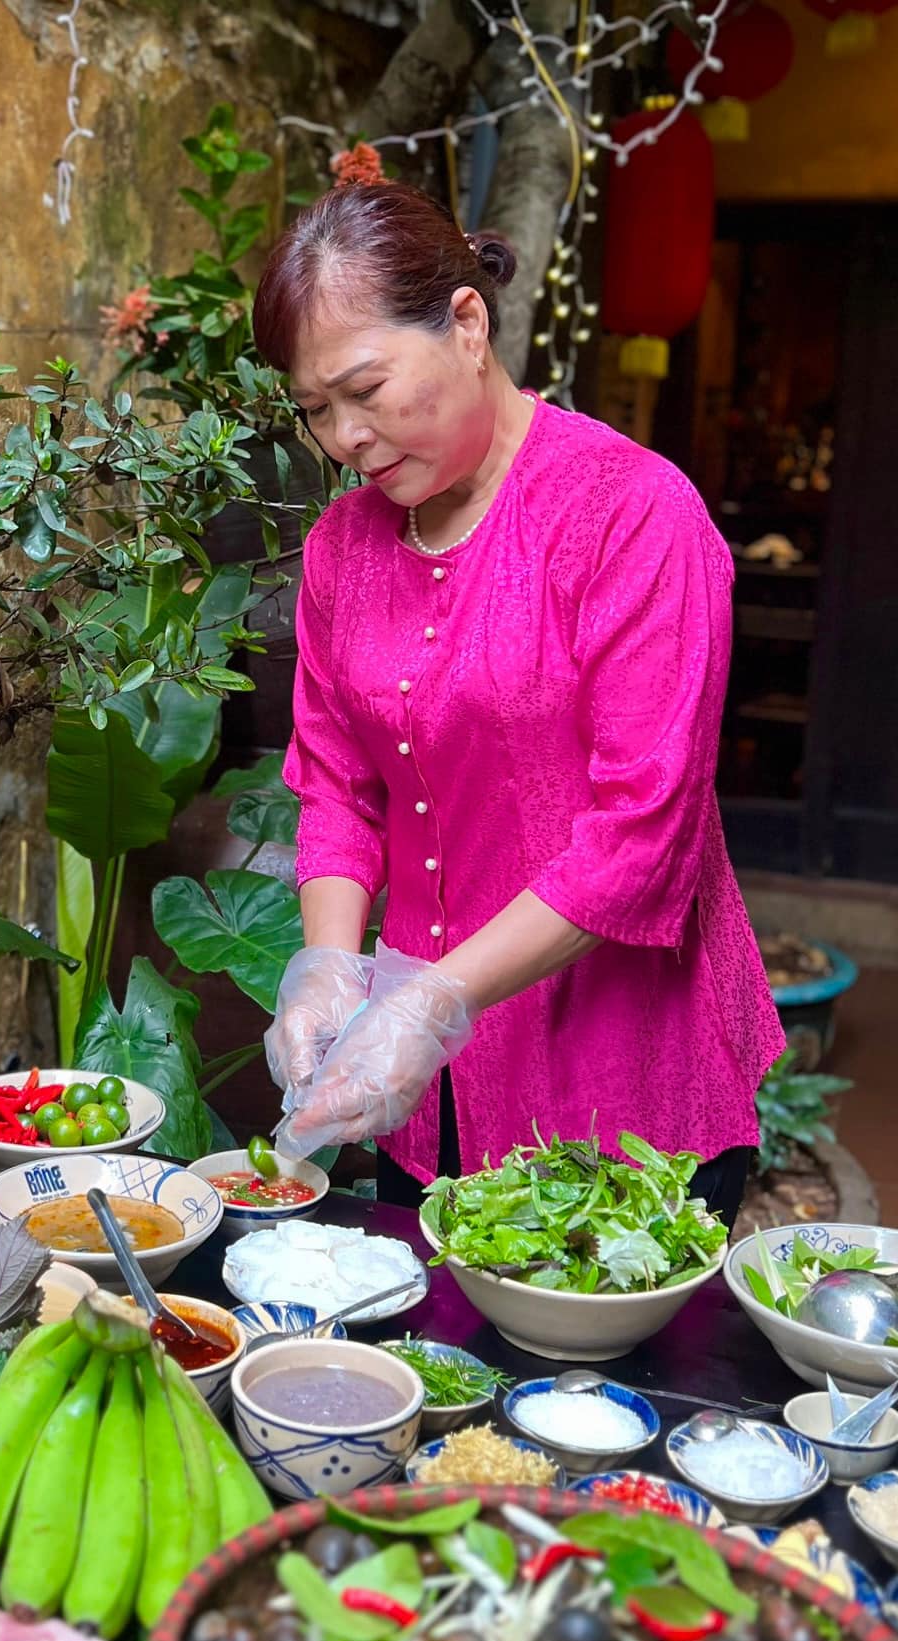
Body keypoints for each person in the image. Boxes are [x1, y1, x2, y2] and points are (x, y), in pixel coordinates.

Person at [255, 181, 785, 1229]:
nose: (346, 436)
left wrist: (430, 997)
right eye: (315, 410)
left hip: (621, 1077)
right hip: (422, 1090)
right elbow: (338, 789)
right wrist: (328, 968)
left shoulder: (629, 515)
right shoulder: (341, 550)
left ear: (466, 323)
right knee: (426, 1325)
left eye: (365, 389)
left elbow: (643, 833)